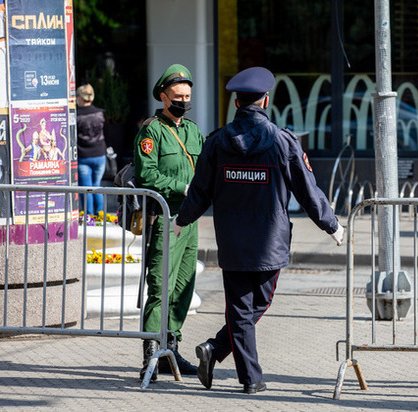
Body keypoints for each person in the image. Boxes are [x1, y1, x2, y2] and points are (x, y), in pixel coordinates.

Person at [172, 67, 344, 394]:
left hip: (233, 243)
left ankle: (216, 350)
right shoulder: (283, 141)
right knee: (254, 307)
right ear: (266, 100)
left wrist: (183, 219)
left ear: (236, 101)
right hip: (270, 243)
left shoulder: (218, 141)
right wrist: (331, 225)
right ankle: (250, 379)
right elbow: (308, 190)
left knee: (242, 309)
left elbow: (199, 190)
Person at [135, 64, 204, 381]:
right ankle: (151, 354)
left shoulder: (192, 130)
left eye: (187, 96)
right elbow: (146, 174)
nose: (183, 101)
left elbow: (205, 165)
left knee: (182, 287)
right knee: (161, 286)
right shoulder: (152, 131)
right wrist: (182, 187)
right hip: (165, 216)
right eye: (177, 96)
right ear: (163, 96)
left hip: (190, 220)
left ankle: (171, 351)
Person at [76, 84, 106, 215]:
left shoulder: (75, 116)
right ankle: (100, 215)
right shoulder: (100, 113)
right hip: (100, 154)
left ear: (80, 98)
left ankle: (88, 217)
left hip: (83, 156)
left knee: (87, 189)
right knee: (97, 185)